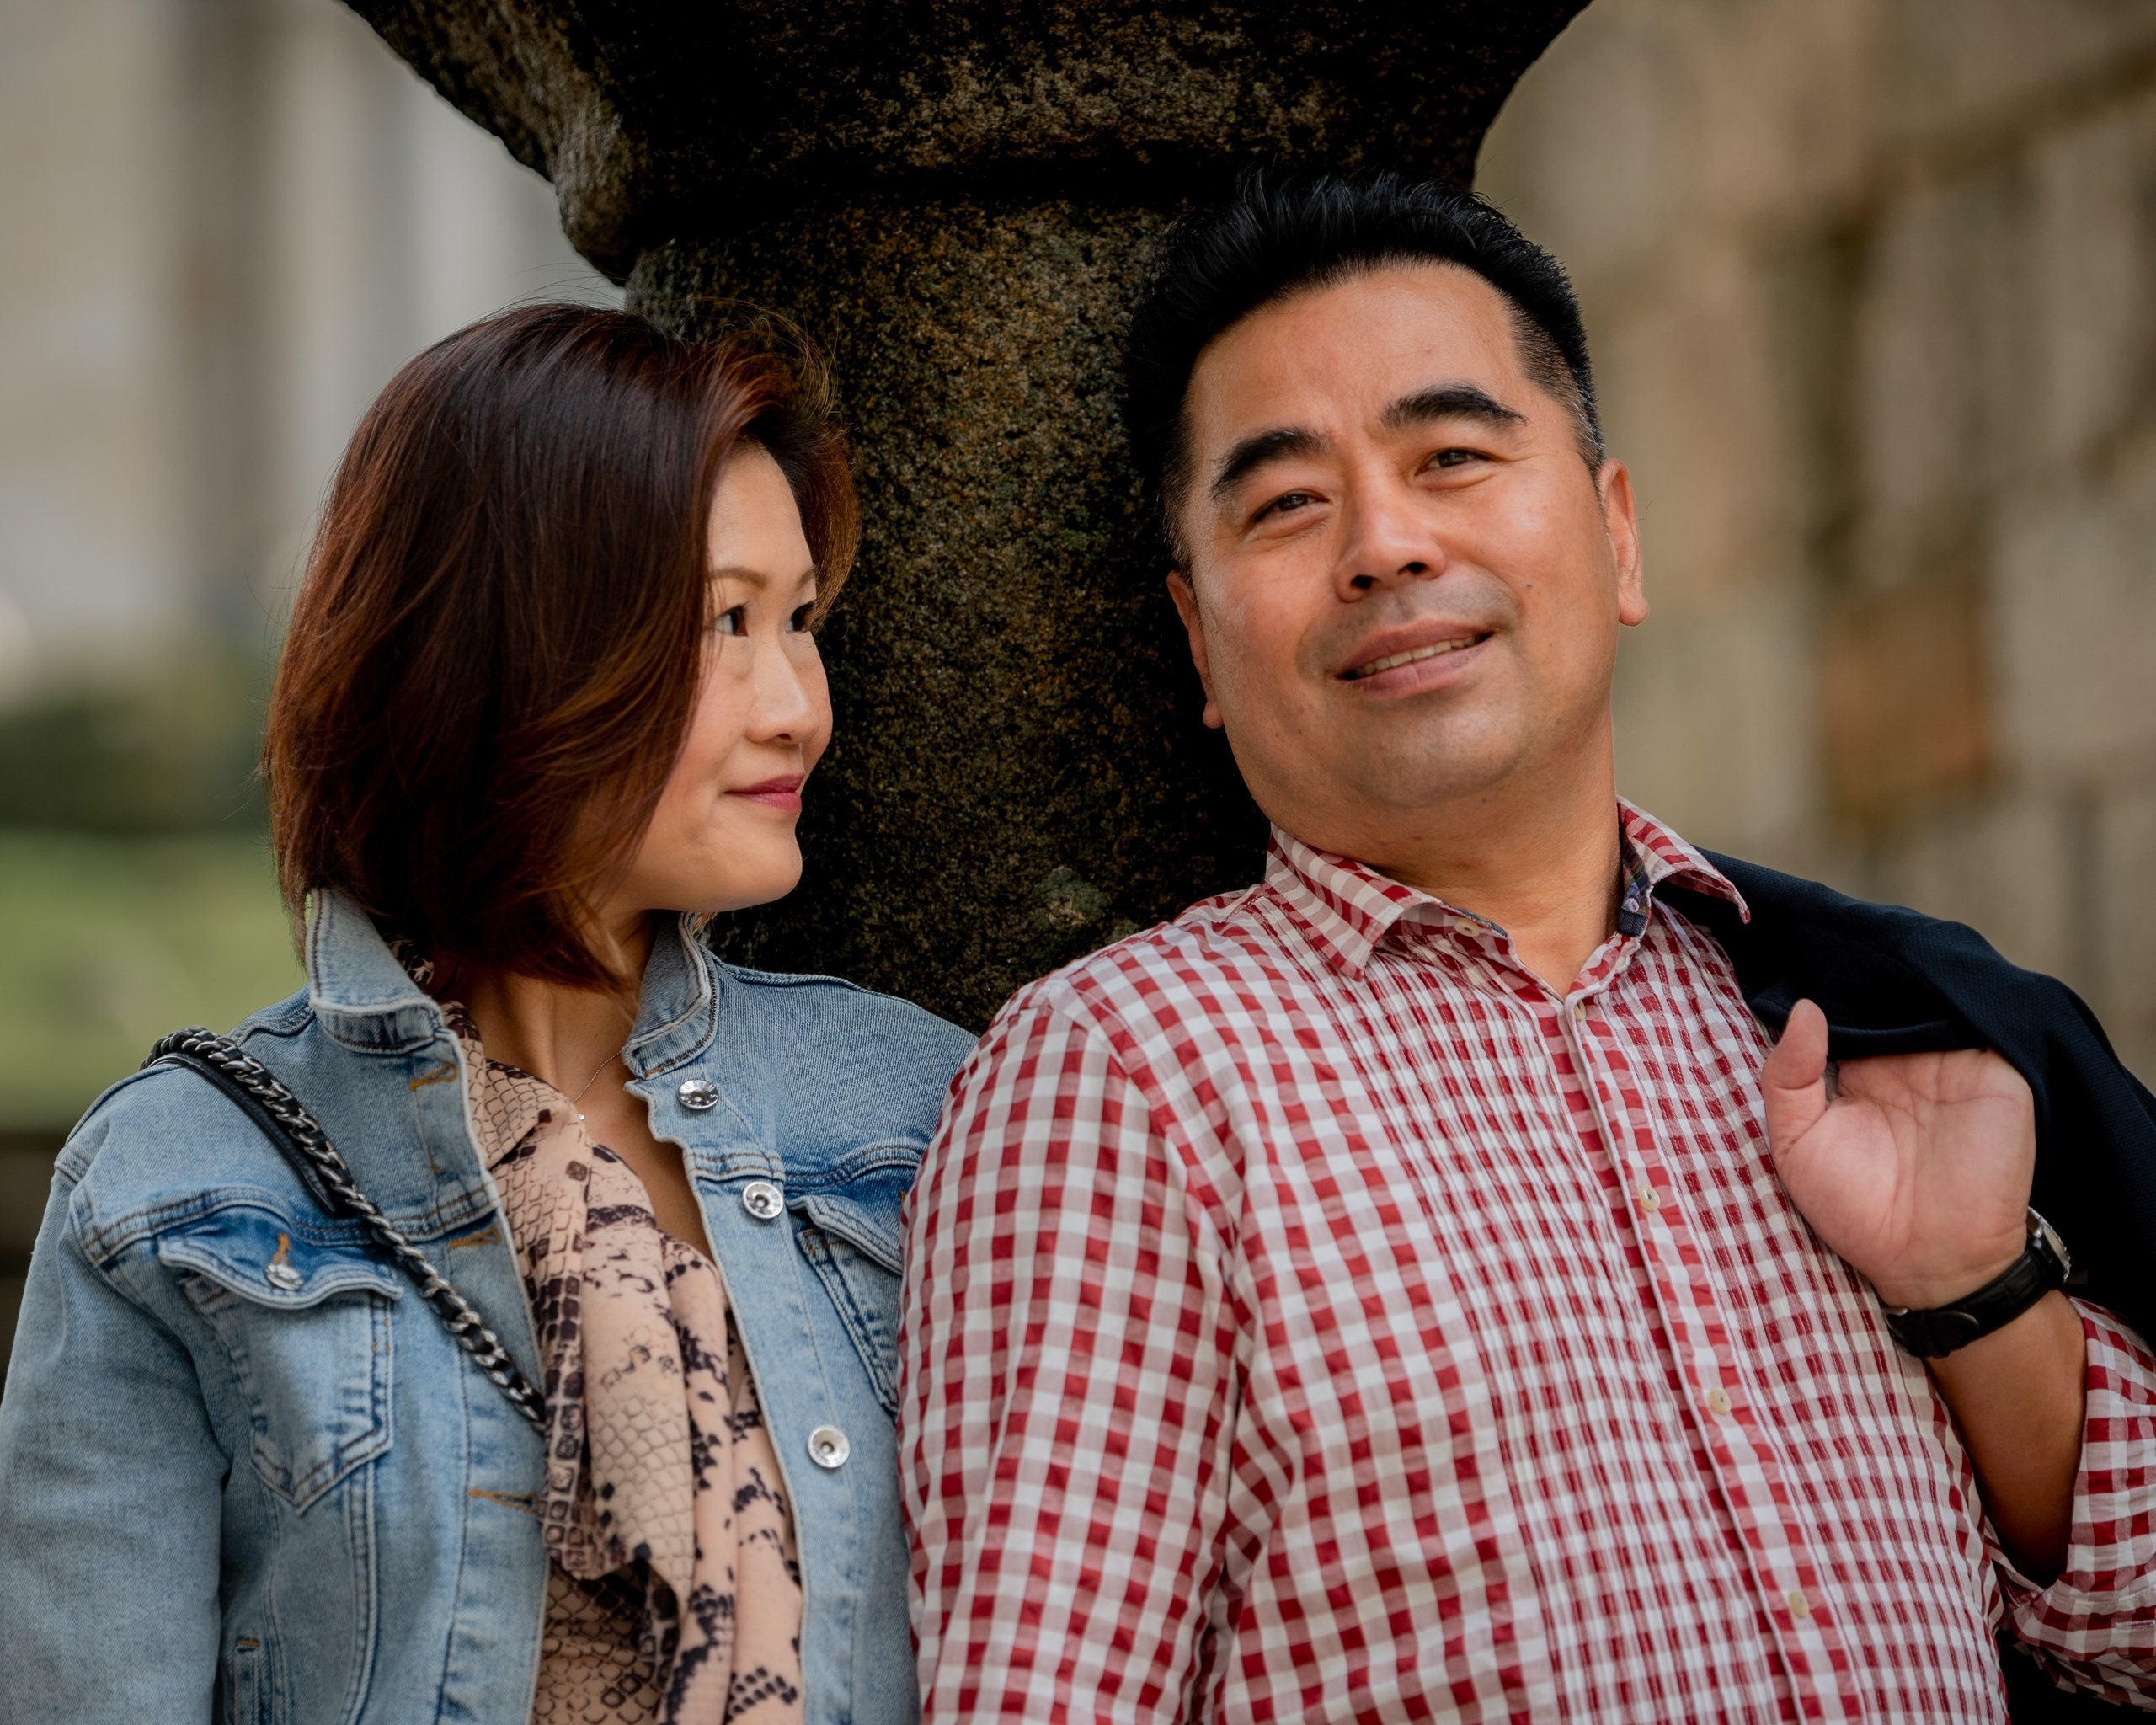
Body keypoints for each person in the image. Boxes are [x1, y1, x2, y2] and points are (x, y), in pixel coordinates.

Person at [899, 176, 2156, 1721]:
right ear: (1197, 641)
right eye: (1286, 504)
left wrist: (1976, 1296)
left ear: (1617, 535)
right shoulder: (1128, 1078)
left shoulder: (1847, 1015)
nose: (1383, 544)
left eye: (1452, 457)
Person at [0, 305, 971, 1724]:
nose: (797, 707)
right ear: (514, 648)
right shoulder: (174, 1186)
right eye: (726, 621)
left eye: (800, 622)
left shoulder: (920, 1109)